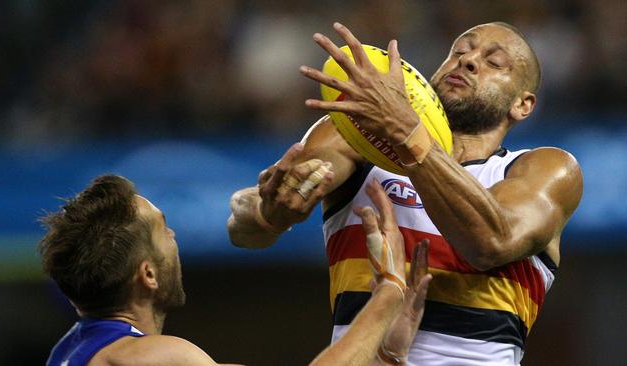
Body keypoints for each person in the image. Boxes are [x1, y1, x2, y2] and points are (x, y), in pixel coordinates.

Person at [228, 22, 583, 365]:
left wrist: (409, 136)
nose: (468, 60)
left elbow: (492, 241)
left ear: (523, 105)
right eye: (459, 51)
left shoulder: (546, 169)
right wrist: (270, 214)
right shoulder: (361, 138)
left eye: (494, 62)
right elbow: (243, 224)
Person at [39, 174, 431, 366]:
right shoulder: (150, 356)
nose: (174, 234)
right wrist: (389, 291)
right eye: (164, 229)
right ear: (148, 275)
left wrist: (389, 354)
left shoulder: (70, 350)